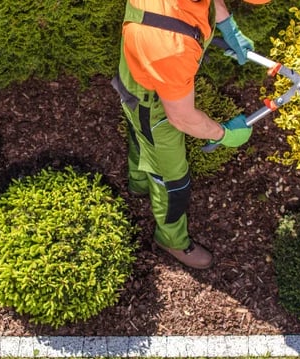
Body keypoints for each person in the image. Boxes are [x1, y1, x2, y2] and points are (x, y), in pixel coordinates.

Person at [112, 0, 269, 269]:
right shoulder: (172, 50)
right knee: (171, 178)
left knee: (141, 132)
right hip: (153, 99)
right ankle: (171, 239)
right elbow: (182, 118)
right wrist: (224, 134)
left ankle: (137, 184)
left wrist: (226, 23)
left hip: (140, 63)